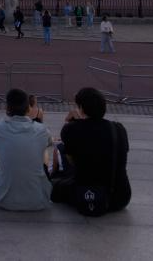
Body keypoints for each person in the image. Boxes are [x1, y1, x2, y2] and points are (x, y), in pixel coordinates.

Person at [56, 87, 131, 215]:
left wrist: (70, 123)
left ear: (81, 108)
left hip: (85, 194)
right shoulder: (119, 129)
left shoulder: (71, 129)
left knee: (57, 183)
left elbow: (71, 161)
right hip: (119, 197)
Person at [0, 88, 53, 211]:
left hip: (4, 200)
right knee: (44, 147)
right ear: (28, 108)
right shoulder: (42, 129)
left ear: (7, 108)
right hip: (39, 199)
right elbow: (50, 142)